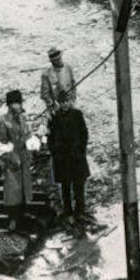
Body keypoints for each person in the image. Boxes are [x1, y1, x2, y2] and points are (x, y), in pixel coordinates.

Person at [47, 88, 90, 221]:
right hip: (62, 158)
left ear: (70, 101)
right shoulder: (54, 118)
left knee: (79, 185)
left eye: (66, 101)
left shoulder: (77, 115)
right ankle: (68, 211)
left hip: (76, 156)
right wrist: (55, 152)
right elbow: (50, 138)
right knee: (65, 186)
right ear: (59, 103)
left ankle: (80, 211)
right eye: (62, 102)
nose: (64, 104)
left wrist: (81, 150)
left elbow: (84, 133)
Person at [0, 90, 33, 232]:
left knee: (24, 190)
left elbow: (28, 136)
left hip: (24, 159)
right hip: (11, 163)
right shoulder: (3, 122)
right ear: (10, 105)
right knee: (12, 192)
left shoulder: (23, 119)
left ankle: (23, 217)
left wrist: (30, 147)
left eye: (20, 103)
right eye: (16, 103)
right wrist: (11, 157)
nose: (19, 106)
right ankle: (12, 220)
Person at [40, 47, 76, 115]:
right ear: (51, 61)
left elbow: (73, 84)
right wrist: (52, 104)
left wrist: (73, 99)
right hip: (56, 107)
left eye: (59, 58)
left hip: (69, 103)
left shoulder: (68, 68)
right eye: (55, 60)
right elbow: (44, 94)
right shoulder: (46, 74)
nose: (58, 61)